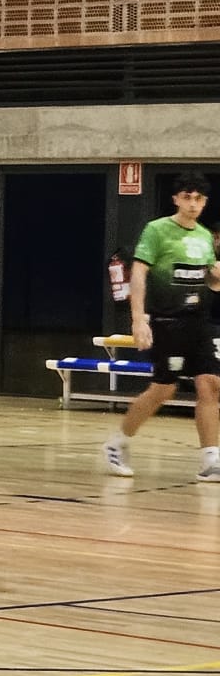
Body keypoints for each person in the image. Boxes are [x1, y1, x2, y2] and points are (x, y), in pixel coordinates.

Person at [104, 171, 220, 483]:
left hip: (198, 322)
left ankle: (211, 458)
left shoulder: (204, 237)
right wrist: (138, 318)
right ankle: (117, 443)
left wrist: (216, 276)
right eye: (187, 197)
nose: (193, 204)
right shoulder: (157, 231)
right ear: (176, 199)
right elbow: (139, 274)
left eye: (199, 199)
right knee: (163, 389)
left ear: (205, 201)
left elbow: (207, 279)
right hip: (167, 321)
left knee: (210, 383)